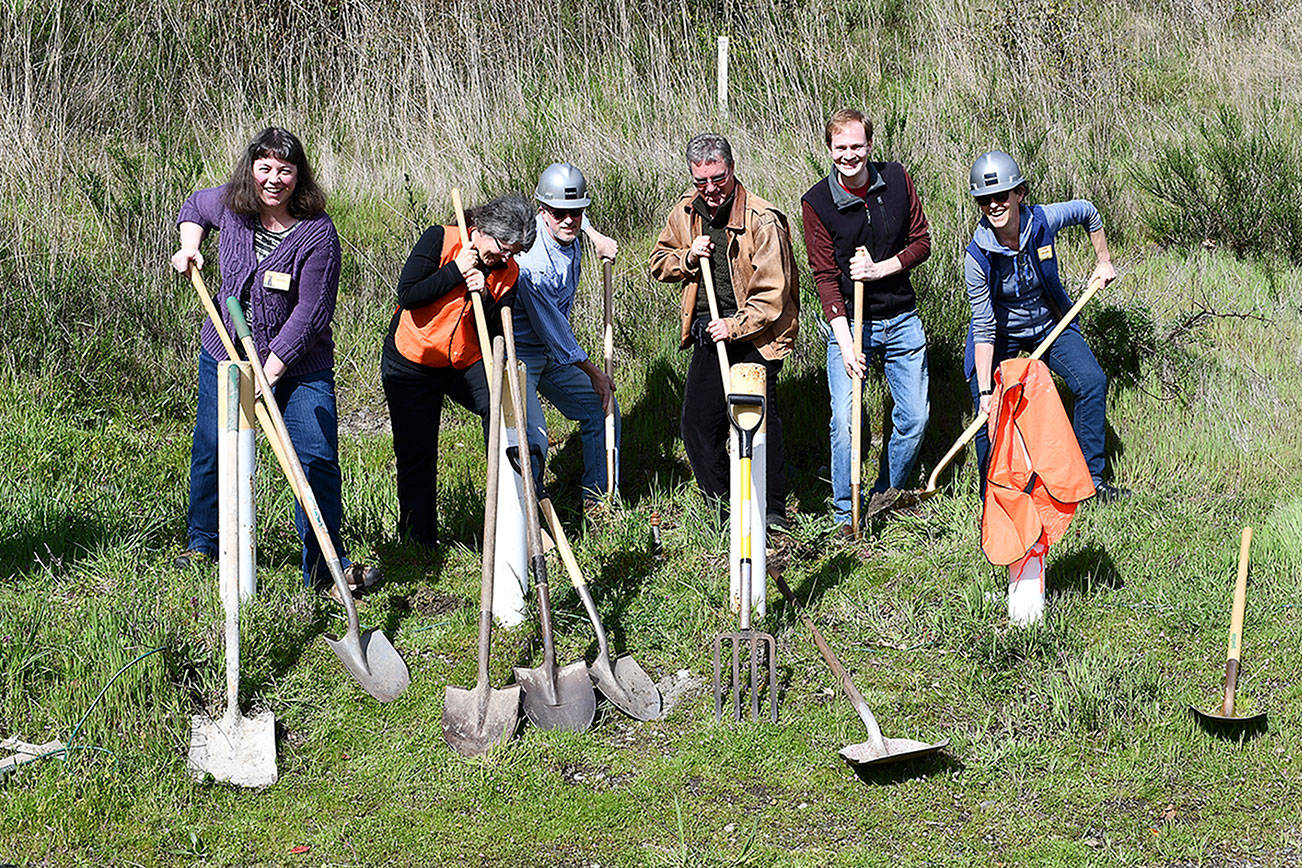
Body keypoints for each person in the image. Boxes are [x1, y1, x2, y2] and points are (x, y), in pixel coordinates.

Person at [171, 127, 378, 592]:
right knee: (211, 448)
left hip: (299, 368)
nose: (273, 178)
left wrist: (271, 370)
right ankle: (203, 543)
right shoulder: (232, 206)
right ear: (251, 170)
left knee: (317, 456)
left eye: (285, 169)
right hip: (225, 353)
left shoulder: (317, 233)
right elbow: (194, 207)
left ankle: (326, 566)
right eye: (264, 167)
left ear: (298, 176)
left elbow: (311, 312)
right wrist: (190, 246)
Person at [649, 133, 799, 529]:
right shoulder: (685, 213)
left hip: (757, 336)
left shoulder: (762, 220)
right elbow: (658, 262)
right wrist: (686, 257)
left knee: (759, 422)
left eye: (718, 179)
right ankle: (724, 507)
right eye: (701, 182)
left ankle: (771, 511)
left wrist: (732, 326)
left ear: (732, 170)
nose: (711, 190)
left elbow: (773, 296)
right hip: (708, 333)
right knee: (698, 424)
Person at [963, 150, 1128, 501]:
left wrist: (1104, 261)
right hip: (1001, 333)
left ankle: (1090, 481)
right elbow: (984, 327)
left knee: (1091, 381)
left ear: (1019, 193)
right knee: (988, 407)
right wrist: (987, 392)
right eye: (984, 200)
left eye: (1000, 196)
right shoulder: (978, 256)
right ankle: (994, 497)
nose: (993, 205)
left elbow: (1088, 211)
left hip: (1050, 321)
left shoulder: (1042, 220)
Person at [800, 109, 932, 533]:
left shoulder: (895, 179)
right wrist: (844, 341)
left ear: (870, 146)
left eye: (857, 146)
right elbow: (824, 277)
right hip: (850, 325)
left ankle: (883, 495)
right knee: (846, 421)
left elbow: (921, 242)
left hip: (901, 317)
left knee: (914, 418)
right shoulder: (817, 203)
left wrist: (882, 269)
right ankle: (846, 513)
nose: (849, 155)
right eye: (841, 148)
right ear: (830, 150)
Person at [381, 194, 535, 547]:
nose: (504, 258)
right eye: (501, 249)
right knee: (417, 451)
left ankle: (509, 520)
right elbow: (408, 294)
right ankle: (419, 541)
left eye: (514, 252)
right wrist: (455, 272)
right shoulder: (442, 239)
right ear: (480, 231)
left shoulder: (508, 272)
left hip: (464, 360)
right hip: (412, 359)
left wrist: (487, 297)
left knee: (501, 411)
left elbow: (498, 333)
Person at [512, 162, 620, 504]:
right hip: (522, 354)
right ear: (542, 211)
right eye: (560, 213)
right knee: (534, 438)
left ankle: (598, 498)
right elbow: (555, 332)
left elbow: (576, 219)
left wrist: (595, 235)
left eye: (577, 212)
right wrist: (595, 373)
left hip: (552, 351)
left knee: (602, 409)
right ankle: (532, 514)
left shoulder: (570, 224)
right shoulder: (533, 264)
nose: (569, 220)